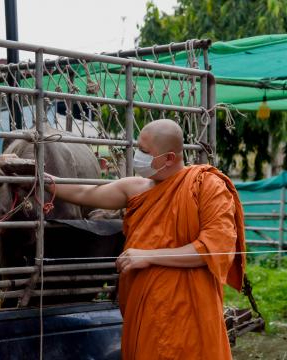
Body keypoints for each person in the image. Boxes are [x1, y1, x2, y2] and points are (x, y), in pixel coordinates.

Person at [45, 119, 245, 360]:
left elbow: (216, 249)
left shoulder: (207, 186)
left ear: (169, 158)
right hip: (146, 310)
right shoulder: (135, 188)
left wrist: (148, 256)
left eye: (144, 151)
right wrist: (44, 180)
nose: (137, 156)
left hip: (191, 311)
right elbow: (85, 193)